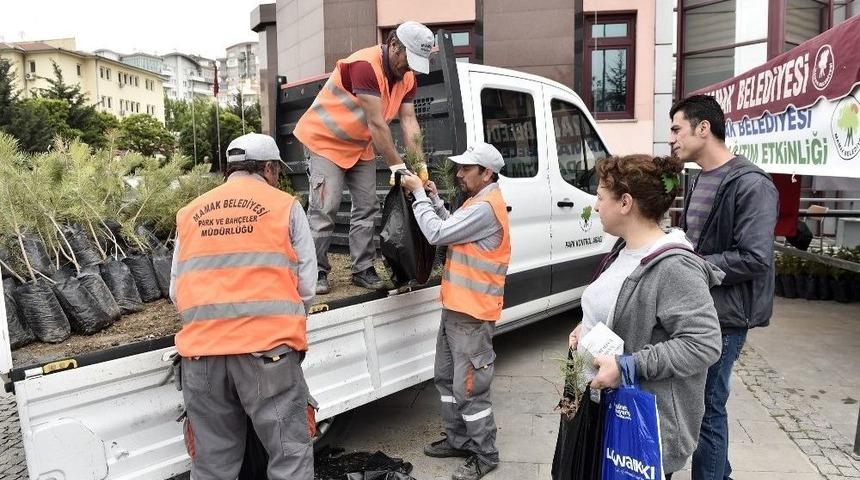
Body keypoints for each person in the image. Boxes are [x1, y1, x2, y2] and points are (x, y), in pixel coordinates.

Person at [169, 133, 317, 480]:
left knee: (212, 465)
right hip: (268, 355)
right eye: (276, 171)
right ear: (268, 168)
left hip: (201, 357)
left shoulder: (189, 213)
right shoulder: (285, 207)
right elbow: (307, 285)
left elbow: (176, 290)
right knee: (289, 455)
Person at [567, 154, 723, 479]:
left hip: (638, 429)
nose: (595, 207)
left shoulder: (674, 266)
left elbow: (704, 343)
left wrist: (628, 366)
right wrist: (588, 326)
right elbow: (619, 306)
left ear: (625, 203)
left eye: (600, 197)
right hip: (603, 407)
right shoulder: (623, 249)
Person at [669, 95, 779, 480]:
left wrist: (693, 265)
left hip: (727, 316)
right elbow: (698, 241)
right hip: (701, 308)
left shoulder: (751, 184)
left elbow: (754, 257)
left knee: (708, 407)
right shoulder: (700, 179)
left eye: (677, 129)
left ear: (704, 129)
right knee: (703, 402)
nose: (672, 139)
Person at [293, 20, 434, 294]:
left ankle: (362, 269)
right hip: (326, 141)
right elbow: (377, 124)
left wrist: (421, 167)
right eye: (409, 59)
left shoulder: (407, 77)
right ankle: (316, 272)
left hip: (359, 146)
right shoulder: (365, 66)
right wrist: (399, 168)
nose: (410, 68)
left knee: (367, 207)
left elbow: (409, 122)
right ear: (394, 46)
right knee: (326, 209)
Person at [399, 142, 509, 480]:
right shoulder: (476, 202)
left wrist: (418, 194)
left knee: (470, 388)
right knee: (446, 379)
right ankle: (458, 439)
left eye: (466, 169)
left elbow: (436, 234)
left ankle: (485, 453)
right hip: (456, 309)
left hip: (473, 317)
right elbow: (453, 231)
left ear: (487, 173)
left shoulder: (486, 206)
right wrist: (433, 199)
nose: (459, 174)